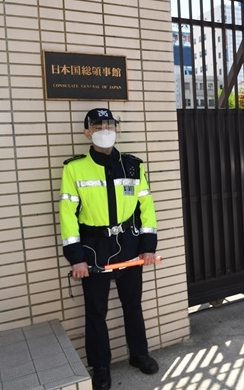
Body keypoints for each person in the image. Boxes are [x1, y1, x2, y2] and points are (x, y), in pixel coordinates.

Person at [59, 108, 159, 390]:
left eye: (109, 123)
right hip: (93, 249)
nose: (105, 128)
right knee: (96, 312)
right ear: (86, 132)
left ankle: (139, 355)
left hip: (129, 244)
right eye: (98, 124)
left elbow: (146, 208)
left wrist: (148, 246)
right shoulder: (74, 168)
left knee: (133, 306)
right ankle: (100, 367)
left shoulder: (133, 165)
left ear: (116, 128)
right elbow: (67, 215)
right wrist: (76, 257)